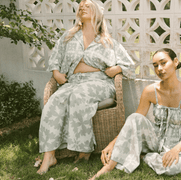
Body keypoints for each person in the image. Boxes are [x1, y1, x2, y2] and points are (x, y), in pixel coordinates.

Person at [37, 0, 135, 174]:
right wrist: (56, 73)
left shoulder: (106, 40)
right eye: (80, 6)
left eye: (87, 5)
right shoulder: (68, 37)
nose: (82, 7)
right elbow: (55, 58)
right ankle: (49, 156)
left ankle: (84, 152)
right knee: (54, 101)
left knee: (79, 96)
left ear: (97, 12)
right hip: (73, 82)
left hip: (99, 82)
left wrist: (116, 69)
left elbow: (129, 65)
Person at [90, 48, 181, 179]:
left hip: (178, 144)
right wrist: (113, 143)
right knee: (135, 116)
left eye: (163, 63)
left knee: (171, 168)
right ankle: (109, 166)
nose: (159, 68)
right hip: (156, 139)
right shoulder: (150, 91)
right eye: (155, 65)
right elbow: (134, 122)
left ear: (175, 62)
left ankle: (143, 156)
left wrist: (175, 150)